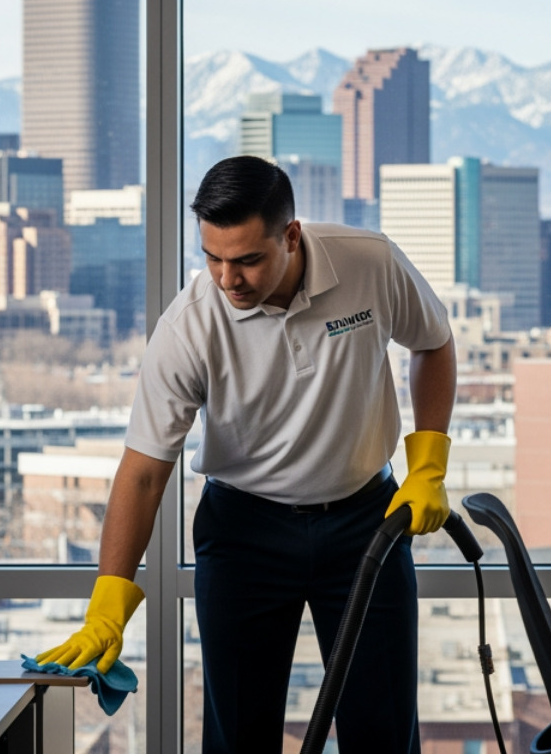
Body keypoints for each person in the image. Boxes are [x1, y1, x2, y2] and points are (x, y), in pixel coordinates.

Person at [37, 156, 456, 753]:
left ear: (292, 236)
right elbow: (144, 473)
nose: (228, 278)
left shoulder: (369, 262)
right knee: (239, 734)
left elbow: (434, 344)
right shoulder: (188, 327)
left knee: (383, 730)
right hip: (244, 535)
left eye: (247, 260)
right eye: (213, 258)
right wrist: (109, 601)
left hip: (366, 522)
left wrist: (428, 465)